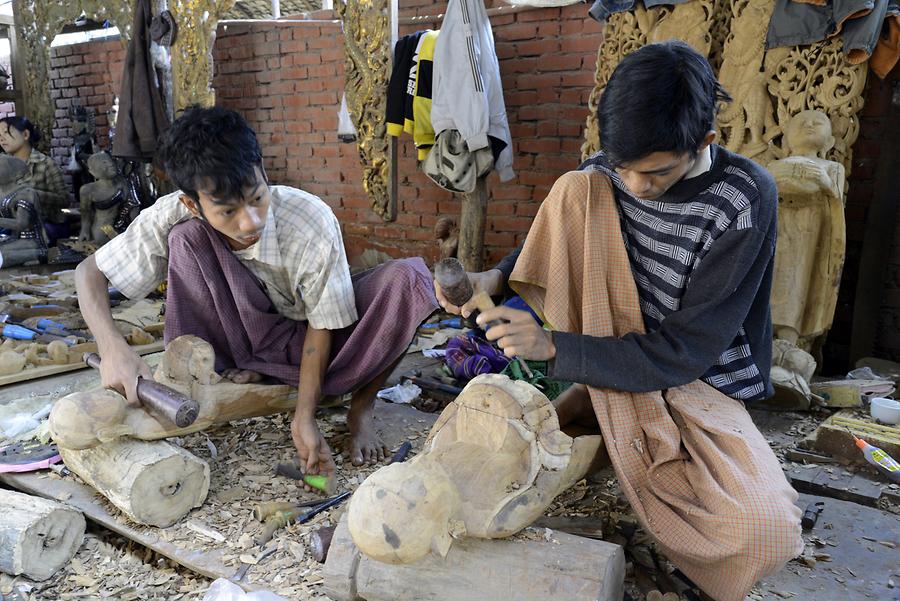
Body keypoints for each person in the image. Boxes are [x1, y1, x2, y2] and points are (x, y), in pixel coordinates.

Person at [435, 41, 802, 601]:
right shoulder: (607, 173)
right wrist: (494, 281)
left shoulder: (744, 202)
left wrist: (556, 346)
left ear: (703, 142)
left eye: (655, 172)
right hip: (609, 341)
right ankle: (602, 412)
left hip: (694, 381)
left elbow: (685, 351)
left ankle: (600, 415)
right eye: (625, 167)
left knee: (763, 535)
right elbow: (563, 234)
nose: (635, 185)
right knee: (576, 188)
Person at [75, 106, 438, 477]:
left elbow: (323, 324)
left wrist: (305, 417)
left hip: (313, 341)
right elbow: (89, 273)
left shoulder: (310, 218)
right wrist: (112, 347)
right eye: (228, 211)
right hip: (238, 340)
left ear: (263, 173)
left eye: (256, 197)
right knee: (186, 238)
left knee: (410, 279)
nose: (250, 221)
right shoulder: (176, 213)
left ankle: (361, 409)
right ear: (192, 203)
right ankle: (237, 370)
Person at [0, 116, 69, 242]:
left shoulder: (45, 163)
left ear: (25, 134)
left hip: (45, 224)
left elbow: (64, 200)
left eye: (6, 132)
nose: (1, 138)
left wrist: (31, 194)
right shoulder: (3, 165)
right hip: (10, 225)